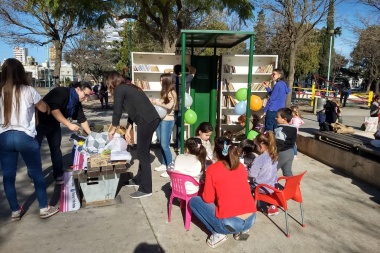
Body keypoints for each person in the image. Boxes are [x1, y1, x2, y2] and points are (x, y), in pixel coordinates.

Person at [0, 58, 59, 220]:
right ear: (21, 72)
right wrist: (44, 107)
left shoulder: (0, 90)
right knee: (36, 173)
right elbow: (43, 107)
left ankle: (15, 210)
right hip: (24, 136)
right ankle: (43, 207)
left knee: (8, 176)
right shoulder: (28, 90)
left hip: (4, 137)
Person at [189, 137, 257, 248]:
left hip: (230, 223)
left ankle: (218, 234)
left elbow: (208, 199)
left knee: (194, 201)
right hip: (251, 219)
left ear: (216, 153)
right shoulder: (240, 166)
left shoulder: (212, 169)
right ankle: (242, 230)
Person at [107, 71, 161, 199]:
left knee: (142, 154)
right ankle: (138, 180)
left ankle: (146, 189)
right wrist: (128, 130)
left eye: (107, 83)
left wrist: (113, 128)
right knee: (143, 152)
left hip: (146, 121)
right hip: (150, 120)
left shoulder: (120, 89)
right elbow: (133, 111)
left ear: (111, 82)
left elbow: (117, 111)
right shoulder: (129, 87)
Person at [37, 81, 92, 184]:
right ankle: (34, 174)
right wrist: (69, 124)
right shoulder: (61, 92)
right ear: (78, 89)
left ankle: (58, 174)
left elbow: (82, 119)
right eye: (86, 95)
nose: (86, 98)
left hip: (54, 125)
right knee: (35, 150)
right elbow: (54, 110)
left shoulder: (76, 103)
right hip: (39, 123)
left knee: (56, 150)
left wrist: (91, 135)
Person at [152, 74, 177, 176]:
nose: (160, 82)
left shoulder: (172, 92)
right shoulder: (164, 92)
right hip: (161, 119)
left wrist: (157, 103)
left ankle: (170, 167)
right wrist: (156, 101)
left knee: (165, 145)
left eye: (161, 80)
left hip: (167, 120)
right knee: (161, 143)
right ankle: (164, 163)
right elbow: (163, 103)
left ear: (166, 81)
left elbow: (169, 106)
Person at [249, 131, 279, 216]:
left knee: (244, 185)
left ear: (261, 145)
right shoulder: (274, 155)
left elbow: (252, 175)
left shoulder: (259, 159)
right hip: (272, 186)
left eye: (256, 145)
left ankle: (246, 207)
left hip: (261, 187)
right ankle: (272, 205)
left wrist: (247, 169)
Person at [168, 64, 196, 152]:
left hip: (172, 103)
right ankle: (178, 146)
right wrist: (187, 66)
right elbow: (194, 70)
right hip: (182, 103)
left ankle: (167, 144)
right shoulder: (187, 78)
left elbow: (165, 71)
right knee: (180, 127)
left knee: (170, 125)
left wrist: (173, 71)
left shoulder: (172, 77)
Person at [274, 108, 297, 176]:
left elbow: (279, 142)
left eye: (277, 117)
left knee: (272, 169)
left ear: (284, 119)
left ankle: (269, 185)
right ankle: (292, 186)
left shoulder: (280, 129)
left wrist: (275, 152)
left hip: (282, 152)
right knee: (287, 171)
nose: (275, 118)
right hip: (290, 152)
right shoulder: (293, 128)